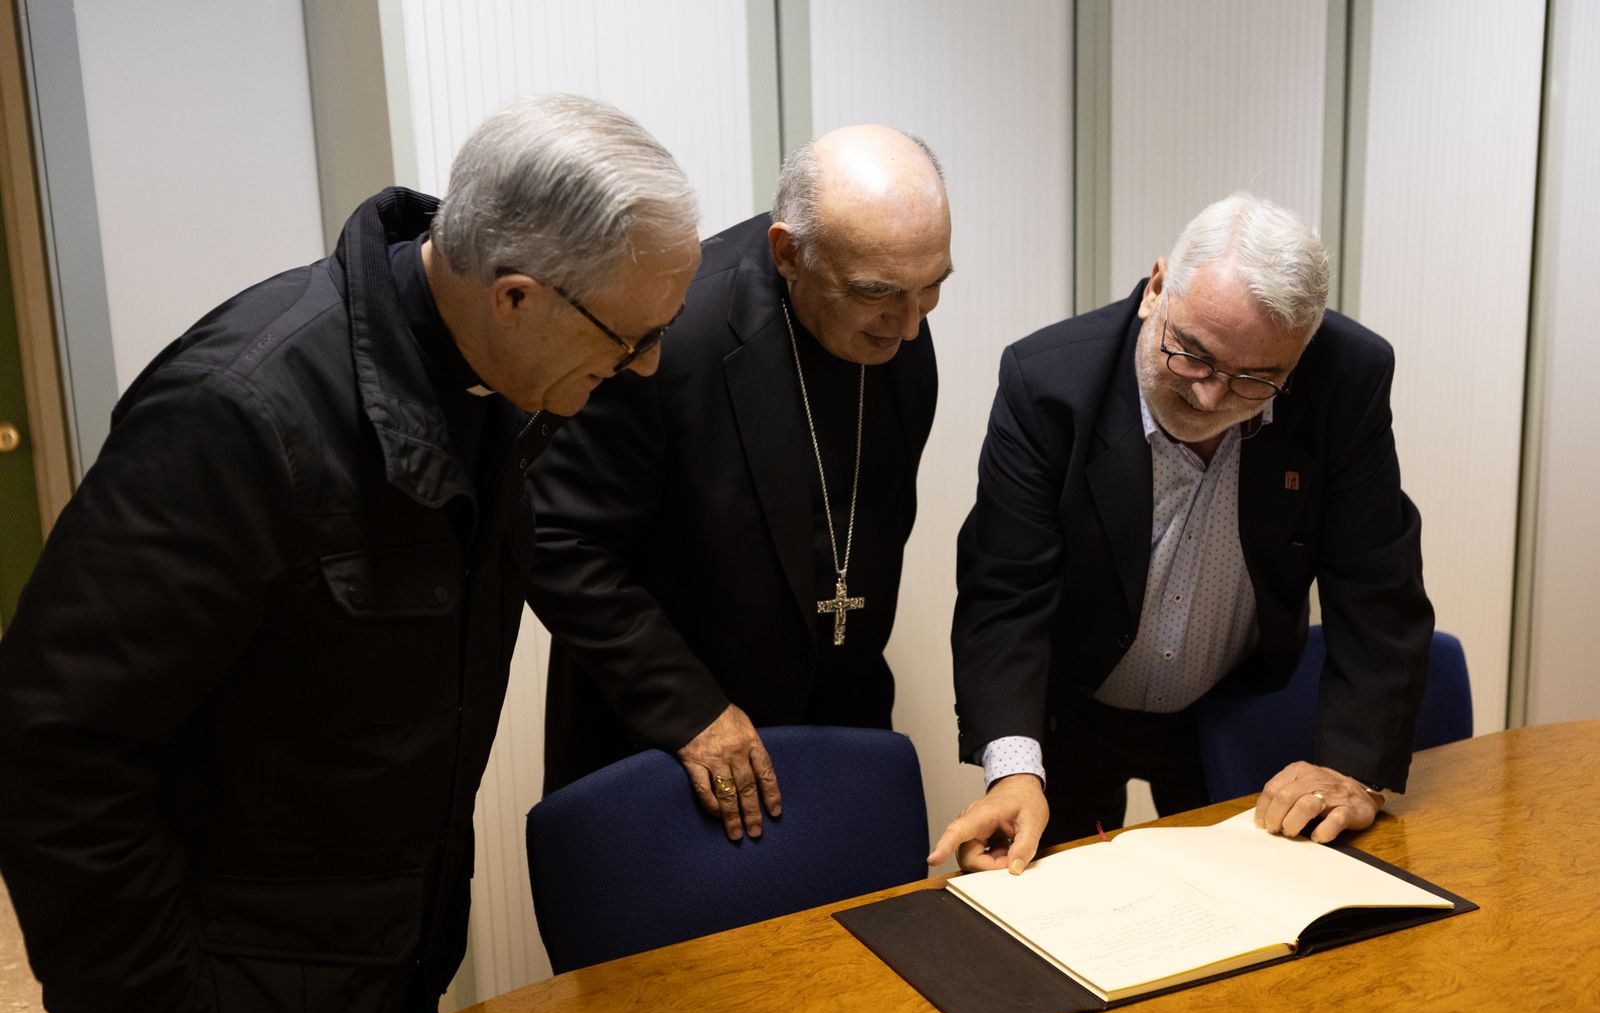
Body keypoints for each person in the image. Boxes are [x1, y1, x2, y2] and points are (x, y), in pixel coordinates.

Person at [0, 95, 700, 1013]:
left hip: (394, 958)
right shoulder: (238, 416)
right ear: (516, 296)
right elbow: (57, 749)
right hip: (232, 994)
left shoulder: (505, 389)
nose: (646, 366)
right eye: (629, 338)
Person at [928, 192, 1432, 876]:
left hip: (1229, 700)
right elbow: (1004, 591)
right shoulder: (1049, 383)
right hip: (1072, 705)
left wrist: (1353, 769)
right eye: (1192, 355)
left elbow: (1377, 585)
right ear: (1157, 288)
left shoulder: (1346, 379)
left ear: (1299, 357)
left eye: (1254, 380)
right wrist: (1013, 771)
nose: (1208, 397)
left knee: (1254, 914)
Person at [527, 125, 952, 841]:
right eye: (878, 293)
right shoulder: (670, 331)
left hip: (832, 736)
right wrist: (690, 711)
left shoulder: (895, 327)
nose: (910, 327)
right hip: (668, 745)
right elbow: (557, 540)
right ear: (789, 253)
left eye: (932, 288)